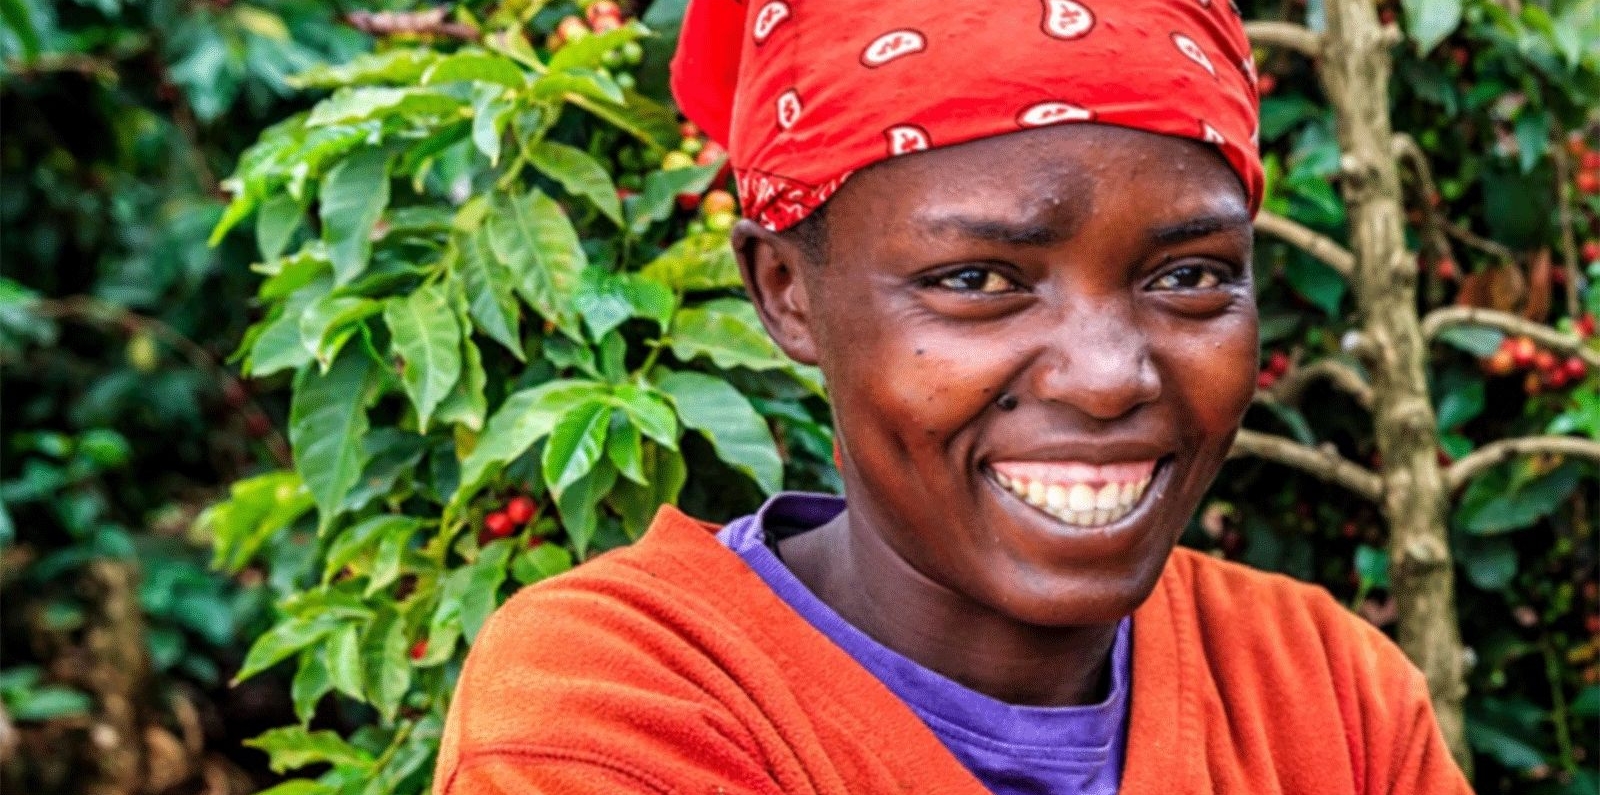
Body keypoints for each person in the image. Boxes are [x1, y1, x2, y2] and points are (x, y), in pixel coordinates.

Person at [433, 1, 1474, 793]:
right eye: (977, 281)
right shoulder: (616, 704)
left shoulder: (1323, 691)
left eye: (1188, 276)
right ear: (787, 294)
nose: (1108, 375)